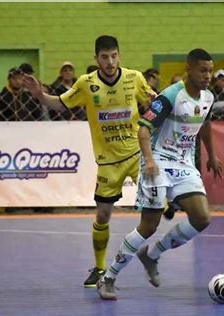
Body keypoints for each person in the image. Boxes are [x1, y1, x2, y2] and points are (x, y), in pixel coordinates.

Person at [22, 35, 155, 287]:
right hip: (108, 163)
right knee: (103, 215)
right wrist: (39, 93)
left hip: (138, 155)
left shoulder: (134, 78)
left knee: (158, 206)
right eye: (104, 57)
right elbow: (60, 105)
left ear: (120, 55)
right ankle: (99, 268)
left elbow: (155, 103)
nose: (110, 61)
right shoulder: (86, 84)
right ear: (96, 59)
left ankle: (151, 253)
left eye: (114, 55)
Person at [96, 48, 223, 300]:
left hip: (184, 163)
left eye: (210, 71)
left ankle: (152, 254)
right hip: (159, 162)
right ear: (189, 69)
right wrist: (150, 161)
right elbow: (143, 130)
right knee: (149, 226)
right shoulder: (170, 97)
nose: (208, 76)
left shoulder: (207, 97)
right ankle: (108, 278)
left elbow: (205, 124)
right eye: (202, 70)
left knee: (202, 218)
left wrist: (212, 154)